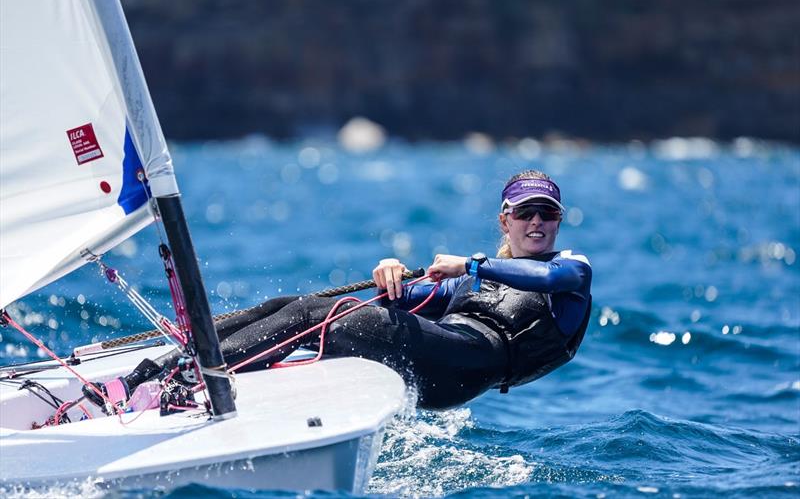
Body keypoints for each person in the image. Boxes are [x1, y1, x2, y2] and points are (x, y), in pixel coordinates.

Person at [97, 170, 592, 411]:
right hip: (440, 355)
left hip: (468, 367)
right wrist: (391, 274)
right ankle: (159, 369)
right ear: (505, 220)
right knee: (291, 308)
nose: (537, 223)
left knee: (323, 314)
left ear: (559, 221)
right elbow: (409, 303)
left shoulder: (572, 269)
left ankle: (190, 383)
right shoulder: (471, 280)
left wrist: (472, 262)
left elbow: (548, 279)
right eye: (525, 213)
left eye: (547, 214)